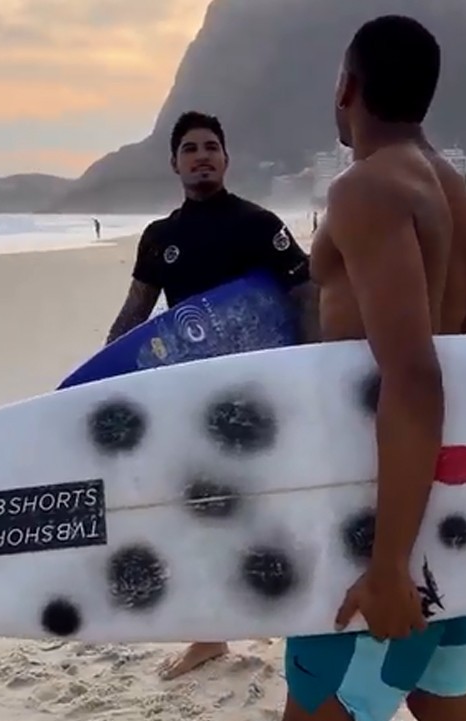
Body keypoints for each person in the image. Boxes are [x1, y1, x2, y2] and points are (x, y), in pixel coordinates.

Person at [276, 15, 466, 721]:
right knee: (447, 710)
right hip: (444, 513)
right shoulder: (465, 202)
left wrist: (387, 564)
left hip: (382, 524)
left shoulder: (368, 190)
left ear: (348, 86)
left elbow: (414, 379)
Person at [105, 110, 320, 681]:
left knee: (276, 505)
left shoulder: (258, 224)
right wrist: (102, 373)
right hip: (192, 399)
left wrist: (315, 365)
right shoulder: (160, 238)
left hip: (262, 393)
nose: (202, 156)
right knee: (200, 513)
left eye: (211, 147)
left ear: (226, 159)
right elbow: (135, 314)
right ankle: (210, 636)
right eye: (190, 149)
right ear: (174, 162)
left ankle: (304, 621)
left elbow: (304, 293)